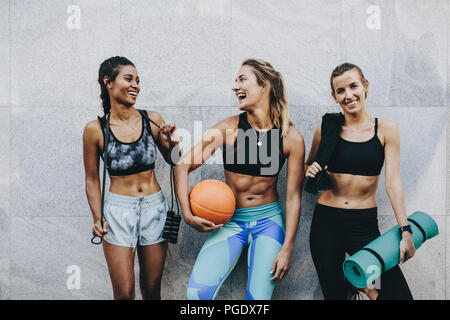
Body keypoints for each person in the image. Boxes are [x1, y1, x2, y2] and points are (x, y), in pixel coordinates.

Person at [175, 58, 305, 300]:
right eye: (235, 81)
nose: (235, 87)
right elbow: (182, 165)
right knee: (197, 295)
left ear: (264, 85)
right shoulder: (227, 129)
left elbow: (293, 196)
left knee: (257, 301)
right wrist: (187, 214)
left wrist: (287, 247)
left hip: (269, 222)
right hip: (231, 221)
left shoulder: (291, 137)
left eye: (242, 79)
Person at [305, 62, 415, 300]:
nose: (349, 95)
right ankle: (351, 285)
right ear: (334, 97)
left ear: (365, 86)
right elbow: (309, 165)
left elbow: (393, 183)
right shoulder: (325, 129)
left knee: (397, 296)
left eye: (353, 86)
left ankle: (358, 283)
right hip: (326, 224)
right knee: (334, 296)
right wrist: (310, 170)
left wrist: (405, 232)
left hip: (363, 227)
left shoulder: (386, 129)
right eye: (340, 91)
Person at [83, 56, 179, 300]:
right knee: (124, 294)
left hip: (154, 209)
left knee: (151, 290)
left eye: (138, 80)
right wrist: (97, 217)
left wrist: (173, 143)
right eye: (129, 79)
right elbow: (92, 179)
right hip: (117, 213)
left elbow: (175, 160)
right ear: (109, 82)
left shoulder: (152, 119)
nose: (136, 85)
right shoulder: (95, 129)